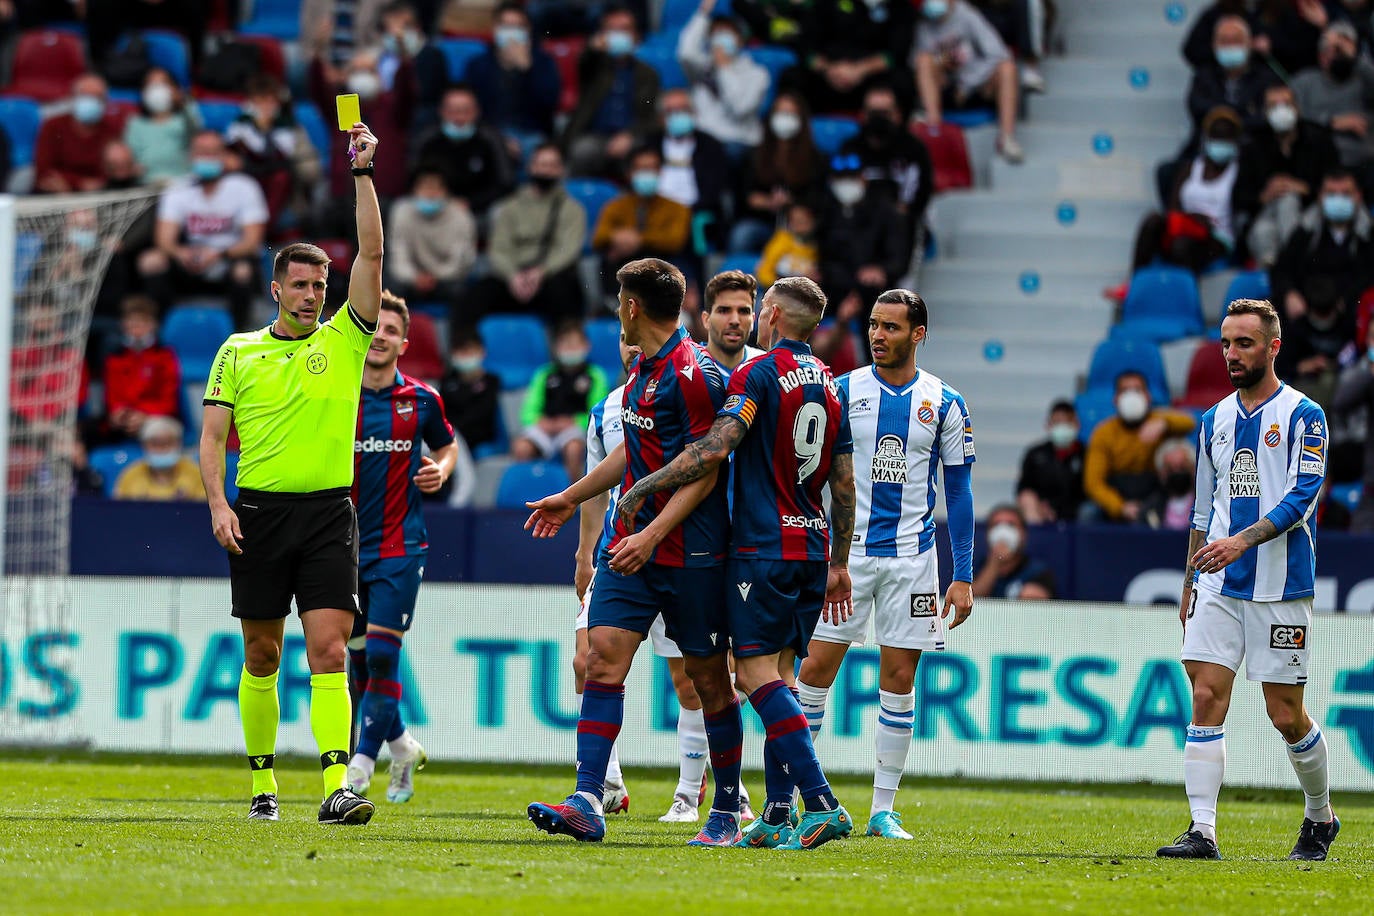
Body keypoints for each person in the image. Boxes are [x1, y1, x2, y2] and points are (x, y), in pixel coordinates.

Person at [615, 275, 858, 850]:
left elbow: (714, 448)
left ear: (770, 314)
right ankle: (775, 811)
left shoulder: (758, 373)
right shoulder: (831, 382)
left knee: (752, 677)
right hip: (812, 545)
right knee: (784, 679)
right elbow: (844, 483)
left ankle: (821, 801)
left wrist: (641, 488)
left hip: (762, 547)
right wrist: (839, 563)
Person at [523, 258, 745, 846]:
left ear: (632, 307)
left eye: (618, 301)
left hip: (689, 553)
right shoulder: (641, 374)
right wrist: (570, 498)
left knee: (707, 682)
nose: (614, 311)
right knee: (600, 661)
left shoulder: (694, 374)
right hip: (629, 549)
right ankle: (588, 799)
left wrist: (652, 535)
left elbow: (705, 468)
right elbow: (635, 456)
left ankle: (724, 808)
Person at [199, 122, 383, 826]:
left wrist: (362, 174)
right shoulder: (238, 351)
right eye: (301, 285)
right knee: (263, 653)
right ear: (277, 288)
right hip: (259, 514)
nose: (312, 295)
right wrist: (219, 504)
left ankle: (338, 785)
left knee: (330, 648)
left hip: (330, 513)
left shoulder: (345, 338)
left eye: (320, 285)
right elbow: (213, 437)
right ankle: (262, 784)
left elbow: (373, 249)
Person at [1157, 297, 1338, 862]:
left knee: (1285, 714)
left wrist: (1241, 542)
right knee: (1206, 693)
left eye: (1245, 343)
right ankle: (1202, 831)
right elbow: (1202, 509)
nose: (1232, 354)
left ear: (1273, 346)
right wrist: (1190, 578)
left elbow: (1303, 499)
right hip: (1216, 585)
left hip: (1280, 587)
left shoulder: (1306, 415)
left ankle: (1320, 815)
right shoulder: (1212, 420)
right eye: (1226, 343)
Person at [792, 289, 976, 842]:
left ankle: (882, 810)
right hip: (845, 559)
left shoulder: (944, 402)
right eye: (873, 325)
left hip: (913, 563)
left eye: (891, 327)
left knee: (899, 682)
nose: (878, 335)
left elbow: (959, 493)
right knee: (813, 672)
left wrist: (962, 574)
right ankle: (803, 796)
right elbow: (810, 475)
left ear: (918, 334)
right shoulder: (842, 391)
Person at [651, 270, 763, 824]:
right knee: (692, 675)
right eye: (726, 311)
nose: (736, 321)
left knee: (751, 674)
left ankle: (743, 793)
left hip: (751, 543)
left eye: (745, 310)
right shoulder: (686, 371)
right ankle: (689, 791)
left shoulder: (767, 373)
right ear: (705, 316)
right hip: (691, 539)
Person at [345, 291, 458, 804]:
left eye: (390, 330)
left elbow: (447, 445)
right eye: (374, 328)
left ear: (403, 342)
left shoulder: (422, 400)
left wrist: (442, 469)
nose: (380, 337)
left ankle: (359, 768)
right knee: (357, 659)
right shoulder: (335, 395)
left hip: (399, 546)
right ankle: (402, 745)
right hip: (340, 549)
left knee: (384, 655)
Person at [572, 333, 641, 817]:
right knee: (586, 661)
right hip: (616, 552)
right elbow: (598, 488)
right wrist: (583, 553)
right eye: (622, 339)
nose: (632, 346)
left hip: (675, 550)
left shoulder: (694, 384)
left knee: (699, 679)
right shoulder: (606, 410)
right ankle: (608, 783)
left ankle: (710, 790)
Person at [138, 130, 268, 330]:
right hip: (190, 261)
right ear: (191, 155)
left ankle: (239, 334)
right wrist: (180, 253)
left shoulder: (244, 187)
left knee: (243, 271)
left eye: (212, 152)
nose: (206, 157)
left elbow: (252, 241)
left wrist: (219, 254)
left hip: (229, 260)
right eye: (201, 152)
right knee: (151, 261)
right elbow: (164, 239)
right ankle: (160, 333)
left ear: (224, 156)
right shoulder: (178, 188)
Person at [471, 143, 587, 330]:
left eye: (552, 166)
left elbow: (568, 249)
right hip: (514, 276)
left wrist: (541, 272)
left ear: (561, 170)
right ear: (530, 167)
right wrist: (512, 276)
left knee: (565, 292)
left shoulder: (572, 209)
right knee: (476, 294)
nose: (546, 171)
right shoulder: (509, 207)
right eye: (541, 164)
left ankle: (568, 351)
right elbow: (498, 248)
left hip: (550, 276)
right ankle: (464, 351)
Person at [1234, 83, 1342, 267]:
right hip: (1269, 213)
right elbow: (1239, 197)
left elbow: (1340, 182)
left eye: (1286, 104)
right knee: (1267, 224)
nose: (1281, 110)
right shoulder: (1253, 147)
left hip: (1313, 213)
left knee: (1282, 208)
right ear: (1265, 113)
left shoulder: (1319, 140)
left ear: (1297, 109)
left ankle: (1283, 270)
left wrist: (1304, 188)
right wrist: (1264, 196)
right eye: (1273, 106)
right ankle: (1291, 269)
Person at [1132, 107, 1243, 273]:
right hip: (1187, 225)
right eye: (1216, 137)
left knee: (1181, 245)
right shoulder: (1190, 168)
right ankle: (1135, 282)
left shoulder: (1239, 173)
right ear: (1207, 139)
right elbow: (1173, 206)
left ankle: (1184, 293)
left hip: (1216, 237)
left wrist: (1207, 224)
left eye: (1225, 138)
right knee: (1152, 221)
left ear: (1235, 141)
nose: (1220, 143)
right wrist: (1190, 219)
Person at [915, 0, 1023, 164]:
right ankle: (934, 130)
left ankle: (1007, 138)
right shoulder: (923, 23)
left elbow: (999, 53)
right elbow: (913, 61)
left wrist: (967, 85)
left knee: (1007, 69)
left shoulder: (968, 16)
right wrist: (938, 64)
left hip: (976, 86)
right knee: (924, 61)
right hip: (945, 89)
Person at [1083, 371, 1197, 522]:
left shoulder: (1157, 420)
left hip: (1154, 493)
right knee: (1088, 513)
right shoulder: (1103, 433)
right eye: (1125, 391)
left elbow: (1189, 422)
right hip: (1118, 494)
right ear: (1116, 399)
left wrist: (1164, 424)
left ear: (1148, 396)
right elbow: (1093, 483)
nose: (1132, 396)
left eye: (1137, 390)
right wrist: (1120, 507)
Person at [562, 6, 661, 177]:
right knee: (581, 151)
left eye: (624, 29)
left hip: (631, 138)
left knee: (643, 158)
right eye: (612, 30)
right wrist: (593, 49)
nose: (619, 35)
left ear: (636, 36)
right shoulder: (594, 67)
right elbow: (583, 62)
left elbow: (650, 115)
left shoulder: (648, 74)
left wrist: (629, 135)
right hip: (594, 136)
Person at [729, 90, 827, 254]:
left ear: (801, 119)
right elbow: (743, 194)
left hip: (800, 225)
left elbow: (819, 197)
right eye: (780, 113)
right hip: (763, 221)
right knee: (742, 234)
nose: (785, 118)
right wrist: (765, 202)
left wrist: (793, 203)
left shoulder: (816, 159)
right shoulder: (755, 155)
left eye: (790, 114)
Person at [1271, 170, 1374, 322]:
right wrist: (1289, 294)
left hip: (1352, 318)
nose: (1338, 200)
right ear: (1320, 196)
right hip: (1304, 317)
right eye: (1331, 194)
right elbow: (1281, 270)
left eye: (1346, 194)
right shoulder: (1305, 231)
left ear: (1358, 196)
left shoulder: (1369, 235)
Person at [592, 147, 692, 304]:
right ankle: (612, 306)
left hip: (662, 267)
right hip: (624, 266)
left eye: (652, 169)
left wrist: (639, 239)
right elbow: (599, 238)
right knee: (609, 258)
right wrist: (616, 238)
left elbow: (675, 240)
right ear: (630, 174)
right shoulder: (616, 206)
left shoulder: (677, 208)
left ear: (660, 173)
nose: (648, 174)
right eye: (642, 169)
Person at [513, 322, 610, 483]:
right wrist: (540, 422)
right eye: (565, 345)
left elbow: (598, 412)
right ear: (556, 348)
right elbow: (528, 411)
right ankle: (527, 493)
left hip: (574, 429)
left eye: (574, 345)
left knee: (573, 449)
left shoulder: (595, 375)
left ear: (586, 346)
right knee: (521, 447)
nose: (570, 350)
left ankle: (573, 499)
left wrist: (574, 422)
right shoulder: (544, 374)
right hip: (545, 427)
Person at [839, 84, 935, 241]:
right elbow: (840, 189)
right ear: (863, 115)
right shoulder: (850, 148)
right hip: (858, 225)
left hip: (901, 226)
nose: (878, 119)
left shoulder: (914, 149)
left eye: (884, 113)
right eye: (873, 113)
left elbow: (922, 193)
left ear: (897, 115)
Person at [676, 1, 769, 153]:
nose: (721, 38)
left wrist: (723, 68)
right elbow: (685, 53)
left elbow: (739, 109)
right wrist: (703, 14)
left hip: (740, 142)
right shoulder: (703, 66)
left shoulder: (757, 74)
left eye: (727, 33)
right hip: (705, 140)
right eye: (716, 33)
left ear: (740, 39)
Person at [1291, 22, 1374, 191]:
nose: (1339, 56)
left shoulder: (1363, 80)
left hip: (1365, 164)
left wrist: (1354, 57)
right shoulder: (1304, 81)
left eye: (1343, 51)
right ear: (1321, 56)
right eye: (1334, 51)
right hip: (1317, 166)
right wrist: (1330, 121)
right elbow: (1290, 115)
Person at [412, 86, 516, 218]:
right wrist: (441, 199)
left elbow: (504, 182)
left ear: (477, 112)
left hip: (479, 208)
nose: (459, 117)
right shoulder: (427, 141)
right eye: (453, 111)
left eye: (466, 111)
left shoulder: (490, 139)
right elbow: (413, 178)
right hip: (435, 205)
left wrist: (471, 202)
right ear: (442, 111)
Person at [467, 2, 562, 142]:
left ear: (528, 29)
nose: (511, 32)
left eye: (517, 26)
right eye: (506, 26)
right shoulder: (478, 64)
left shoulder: (543, 62)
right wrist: (499, 139)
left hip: (531, 132)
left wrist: (527, 70)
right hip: (490, 132)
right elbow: (472, 108)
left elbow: (549, 105)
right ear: (495, 29)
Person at [650, 89, 731, 253]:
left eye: (683, 110)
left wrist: (682, 213)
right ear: (661, 118)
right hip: (655, 213)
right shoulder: (650, 145)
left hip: (694, 215)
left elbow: (713, 192)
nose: (678, 116)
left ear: (693, 113)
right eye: (671, 111)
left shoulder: (710, 146)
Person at [386, 168, 478, 309]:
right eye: (425, 187)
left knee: (463, 292)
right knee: (387, 287)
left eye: (436, 187)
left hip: (446, 279)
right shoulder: (401, 211)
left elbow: (460, 261)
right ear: (414, 190)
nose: (430, 193)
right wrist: (415, 277)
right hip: (411, 279)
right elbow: (398, 256)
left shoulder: (461, 216)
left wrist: (435, 277)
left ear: (446, 191)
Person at [802, 0, 914, 115]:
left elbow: (895, 55)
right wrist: (830, 69)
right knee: (795, 76)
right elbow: (807, 47)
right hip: (828, 73)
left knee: (903, 80)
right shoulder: (826, 4)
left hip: (872, 77)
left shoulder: (900, 8)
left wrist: (859, 70)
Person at [100, 295, 181, 445]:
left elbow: (169, 400)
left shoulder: (165, 356)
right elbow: (112, 396)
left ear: (153, 325)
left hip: (157, 417)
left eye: (142, 322)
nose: (136, 328)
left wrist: (144, 414)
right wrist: (119, 412)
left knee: (157, 431)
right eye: (131, 322)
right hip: (124, 419)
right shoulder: (115, 356)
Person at [1184, 15, 1277, 145]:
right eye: (1224, 41)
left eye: (1236, 40)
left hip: (1255, 148)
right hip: (1210, 144)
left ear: (1250, 43)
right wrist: (1243, 112)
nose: (1230, 46)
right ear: (1214, 45)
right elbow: (1198, 109)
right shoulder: (1204, 76)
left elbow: (1265, 118)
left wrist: (1226, 115)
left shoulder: (1266, 78)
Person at [34, 72, 124, 193]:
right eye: (86, 96)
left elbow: (113, 172)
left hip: (97, 195)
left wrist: (72, 183)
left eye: (97, 97)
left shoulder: (111, 130)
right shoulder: (53, 126)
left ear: (105, 103)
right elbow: (44, 171)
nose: (91, 101)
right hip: (54, 194)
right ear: (73, 98)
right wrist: (79, 183)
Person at [1331, 319, 1374, 532]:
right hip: (1372, 490)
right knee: (1360, 552)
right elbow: (1340, 402)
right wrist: (1370, 371)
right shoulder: (1364, 375)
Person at [123, 67, 200, 183]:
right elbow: (130, 157)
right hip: (146, 186)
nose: (157, 89)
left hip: (181, 184)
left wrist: (183, 102)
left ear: (174, 89)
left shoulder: (184, 119)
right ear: (143, 92)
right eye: (152, 85)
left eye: (163, 84)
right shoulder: (135, 124)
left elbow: (197, 134)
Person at [1016, 399, 1085, 524]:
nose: (1062, 427)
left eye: (1067, 422)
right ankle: (1037, 540)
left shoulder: (1087, 454)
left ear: (1077, 424)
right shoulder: (1035, 454)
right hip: (1041, 512)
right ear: (1048, 425)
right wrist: (1042, 507)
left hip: (1076, 513)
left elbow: (1088, 491)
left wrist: (1060, 510)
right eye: (1057, 422)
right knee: (1027, 499)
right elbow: (1023, 488)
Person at [439, 333, 503, 456]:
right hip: (453, 439)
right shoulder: (447, 382)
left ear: (481, 351)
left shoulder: (492, 382)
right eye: (460, 351)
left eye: (469, 350)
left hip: (482, 441)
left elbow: (484, 415)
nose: (464, 355)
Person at [113, 416, 206, 501]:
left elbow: (204, 510)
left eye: (168, 442)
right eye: (155, 444)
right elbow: (119, 510)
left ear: (179, 443)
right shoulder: (131, 475)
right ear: (144, 445)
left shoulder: (196, 473)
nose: (162, 449)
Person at [972, 504, 1053, 599]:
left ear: (1024, 534)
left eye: (1011, 525)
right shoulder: (974, 567)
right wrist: (995, 562)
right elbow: (970, 600)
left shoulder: (1038, 571)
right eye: (996, 525)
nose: (1003, 531)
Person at [757, 200, 822, 288]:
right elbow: (764, 272)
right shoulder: (782, 240)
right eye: (796, 221)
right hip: (776, 289)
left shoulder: (818, 247)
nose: (800, 226)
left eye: (804, 221)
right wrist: (777, 287)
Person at [1142, 437, 1199, 530]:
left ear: (1193, 469)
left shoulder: (1208, 507)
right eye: (1170, 469)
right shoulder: (1149, 508)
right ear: (1161, 473)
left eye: (1182, 468)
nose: (1177, 473)